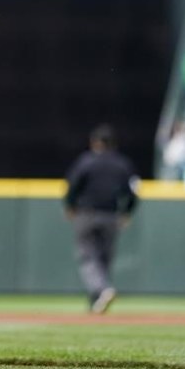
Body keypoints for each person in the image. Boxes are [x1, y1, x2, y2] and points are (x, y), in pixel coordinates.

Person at [63, 125, 139, 314]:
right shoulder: (123, 164)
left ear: (95, 142)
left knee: (88, 256)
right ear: (113, 143)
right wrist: (127, 211)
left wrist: (69, 206)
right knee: (104, 258)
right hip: (111, 215)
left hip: (86, 214)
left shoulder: (86, 161)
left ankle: (101, 290)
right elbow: (134, 192)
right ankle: (97, 300)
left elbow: (72, 186)